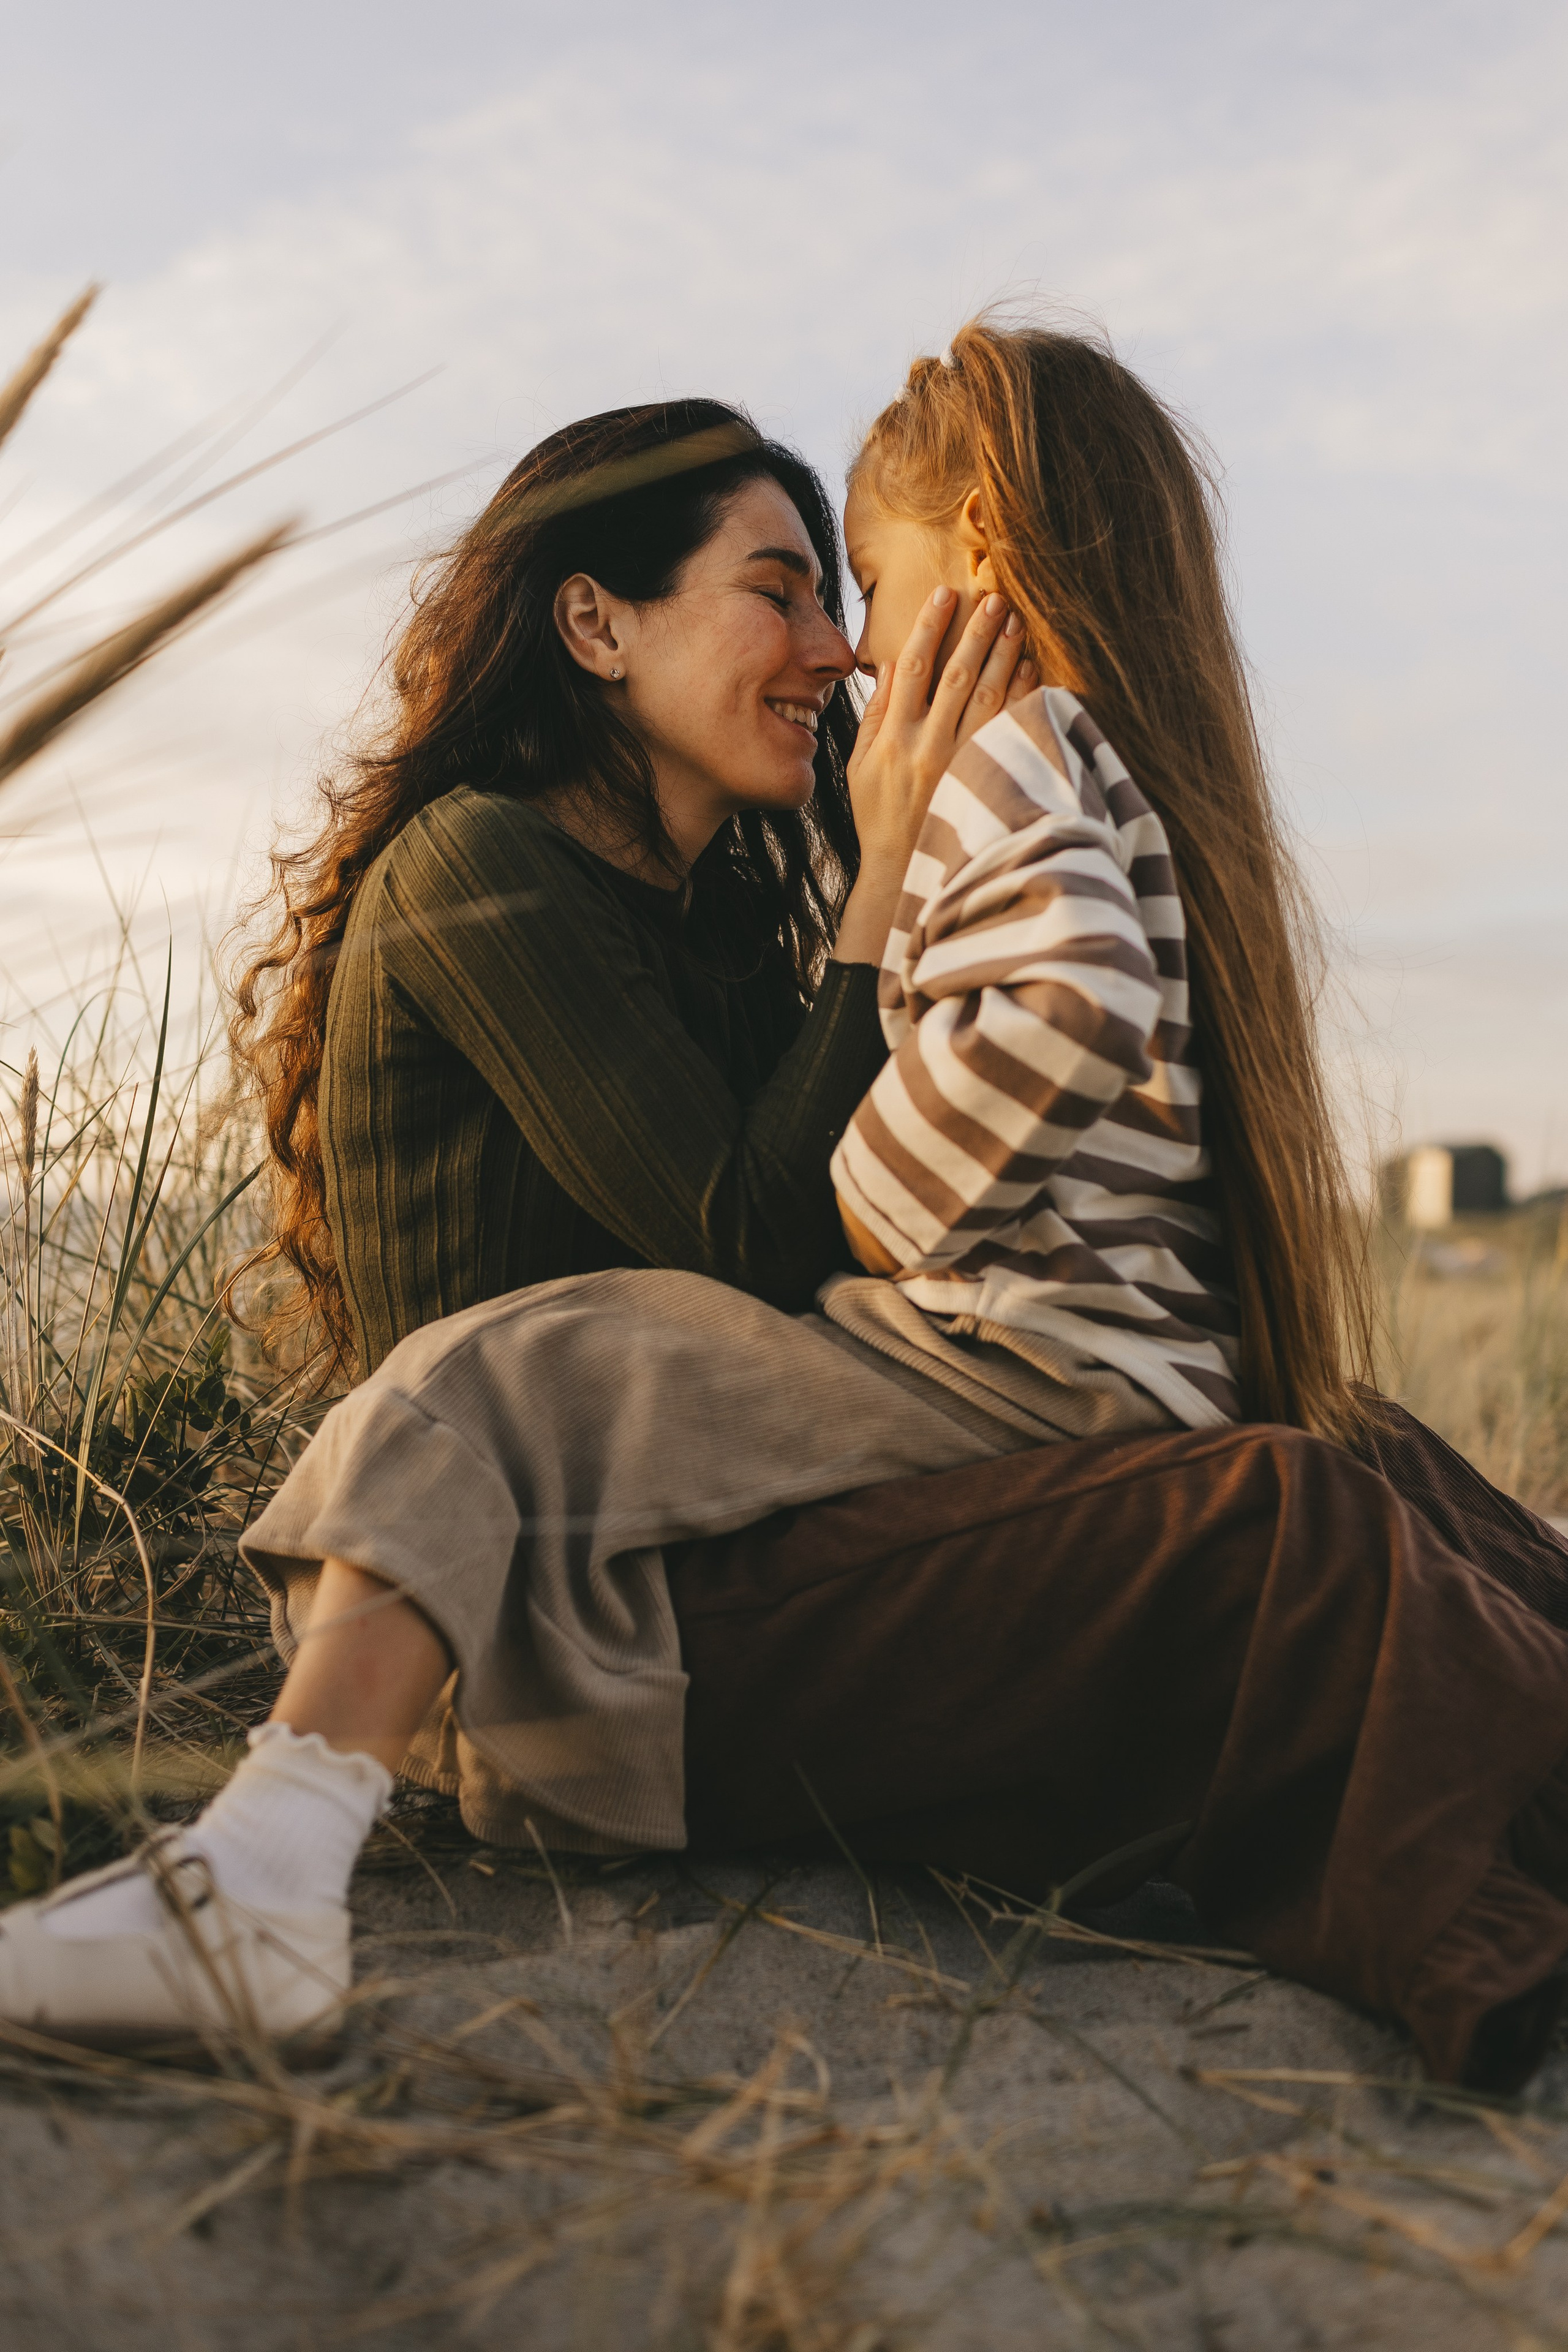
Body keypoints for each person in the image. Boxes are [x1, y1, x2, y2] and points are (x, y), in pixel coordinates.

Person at [4, 350, 1567, 2094]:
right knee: (1280, 1515)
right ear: (597, 626)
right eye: (785, 592)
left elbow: (862, 1243)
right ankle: (257, 1877)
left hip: (760, 1541)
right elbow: (760, 1245)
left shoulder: (746, 924)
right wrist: (886, 888)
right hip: (560, 1619)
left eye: (847, 593)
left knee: (1362, 1448)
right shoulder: (478, 870)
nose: (843, 650)